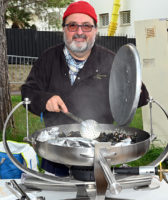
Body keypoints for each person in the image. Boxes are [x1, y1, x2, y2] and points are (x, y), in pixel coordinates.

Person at [21, 1, 149, 177]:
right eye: (72, 26)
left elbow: (139, 97)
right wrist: (45, 99)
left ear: (95, 30)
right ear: (64, 29)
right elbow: (27, 93)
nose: (79, 32)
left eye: (86, 26)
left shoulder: (111, 60)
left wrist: (134, 90)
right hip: (56, 153)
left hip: (103, 152)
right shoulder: (48, 58)